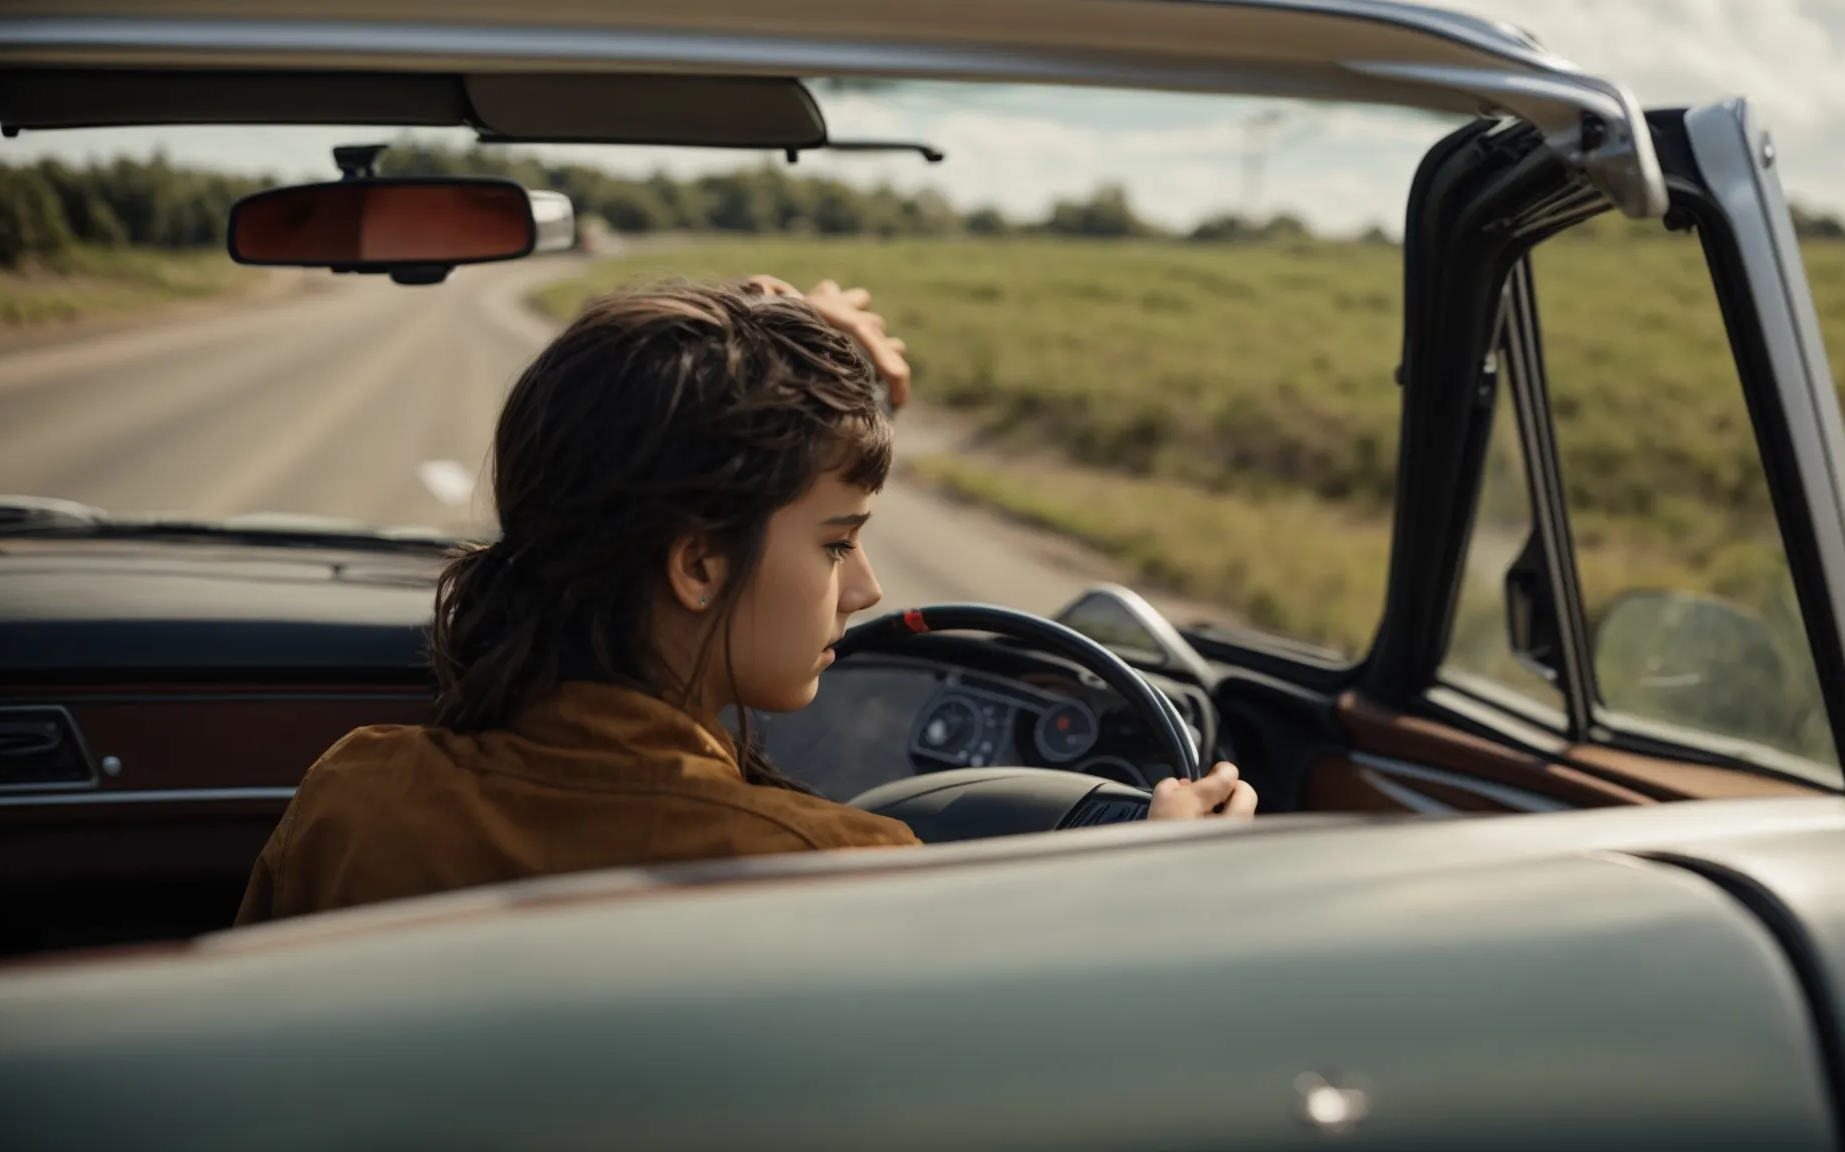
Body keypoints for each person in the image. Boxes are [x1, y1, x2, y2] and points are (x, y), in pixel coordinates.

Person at [234, 277, 1257, 925]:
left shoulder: (356, 796)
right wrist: (1150, 880)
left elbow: (618, 426)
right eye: (837, 542)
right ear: (696, 567)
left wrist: (783, 348)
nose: (866, 589)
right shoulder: (831, 873)